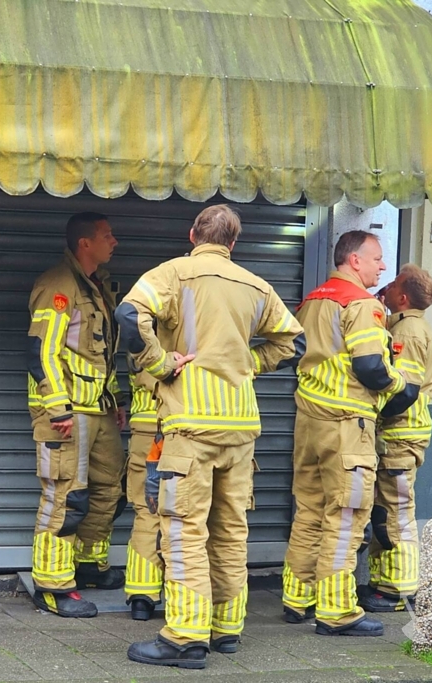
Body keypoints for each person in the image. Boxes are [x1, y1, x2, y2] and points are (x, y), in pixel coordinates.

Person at [116, 204, 305, 669]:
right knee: (230, 530)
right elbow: (292, 342)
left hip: (191, 424)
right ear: (233, 243)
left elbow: (128, 316)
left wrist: (160, 363)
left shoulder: (172, 273)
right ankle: (227, 629)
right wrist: (248, 365)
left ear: (193, 234)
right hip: (241, 427)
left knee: (183, 531)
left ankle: (184, 637)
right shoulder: (255, 285)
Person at [281, 230, 416, 637]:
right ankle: (337, 611)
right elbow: (371, 367)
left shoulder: (312, 300)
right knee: (346, 516)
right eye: (377, 259)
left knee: (308, 510)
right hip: (347, 426)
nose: (384, 267)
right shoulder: (361, 305)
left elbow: (294, 357)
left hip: (309, 423)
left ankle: (297, 597)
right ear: (354, 260)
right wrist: (400, 387)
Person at [26, 212, 128, 618]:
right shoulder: (58, 286)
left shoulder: (98, 288)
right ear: (85, 243)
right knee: (65, 497)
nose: (114, 241)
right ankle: (52, 586)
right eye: (107, 235)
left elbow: (101, 354)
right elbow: (43, 351)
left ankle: (88, 567)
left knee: (108, 493)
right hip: (67, 411)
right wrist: (56, 406)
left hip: (99, 411)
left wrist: (116, 399)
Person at [361, 264, 432, 613]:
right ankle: (384, 584)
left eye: (392, 284)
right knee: (386, 509)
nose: (386, 285)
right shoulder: (405, 323)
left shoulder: (408, 331)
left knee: (395, 511)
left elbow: (405, 390)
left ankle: (398, 590)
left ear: (403, 295)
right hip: (401, 433)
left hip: (401, 432)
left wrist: (373, 409)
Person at [123, 356, 164, 620]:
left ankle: (141, 597)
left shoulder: (139, 321)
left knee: (147, 510)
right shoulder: (197, 322)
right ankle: (185, 596)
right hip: (186, 427)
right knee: (188, 515)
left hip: (144, 428)